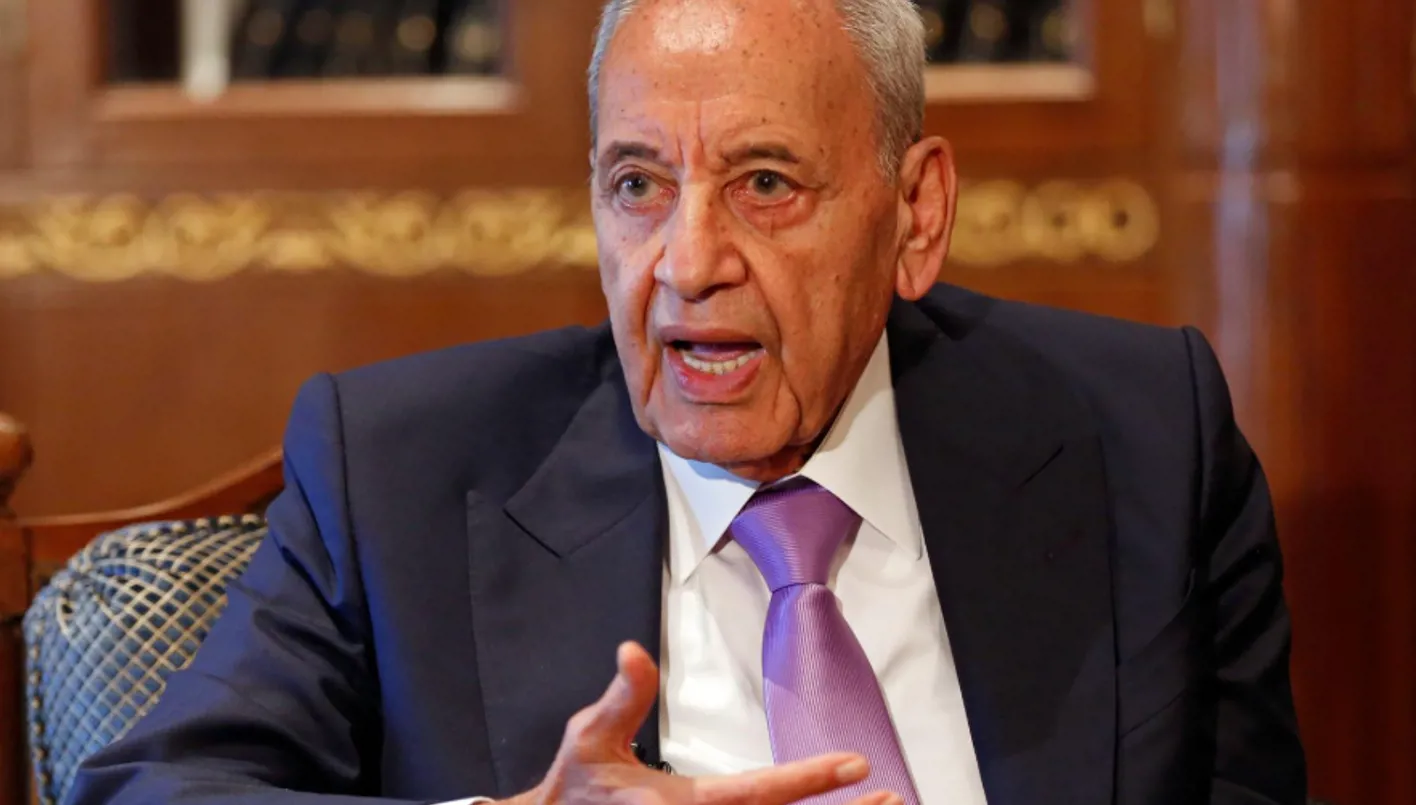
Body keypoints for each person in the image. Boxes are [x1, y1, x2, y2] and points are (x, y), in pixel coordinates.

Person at [67, 0, 1307, 803]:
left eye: (765, 183)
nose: (688, 262)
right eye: (639, 185)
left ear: (915, 213)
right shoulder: (399, 475)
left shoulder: (1146, 440)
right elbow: (153, 791)